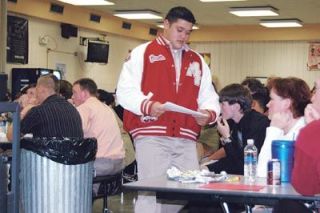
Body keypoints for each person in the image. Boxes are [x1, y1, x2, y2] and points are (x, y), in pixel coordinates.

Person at [116, 6, 220, 212]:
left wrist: (208, 114)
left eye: (188, 32)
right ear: (165, 24)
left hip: (186, 136)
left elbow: (209, 95)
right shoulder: (142, 53)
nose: (184, 36)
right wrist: (147, 106)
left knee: (184, 193)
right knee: (152, 191)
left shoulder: (198, 61)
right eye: (179, 30)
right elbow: (124, 92)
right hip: (151, 133)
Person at [71, 78, 125, 194]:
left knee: (65, 173)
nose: (72, 97)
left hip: (101, 164)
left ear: (84, 93)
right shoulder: (106, 108)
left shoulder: (84, 108)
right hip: (118, 163)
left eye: (75, 92)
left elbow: (75, 134)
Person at [206, 84, 269, 175]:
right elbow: (231, 159)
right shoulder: (236, 124)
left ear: (236, 107)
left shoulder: (258, 124)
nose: (219, 108)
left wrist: (227, 138)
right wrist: (206, 168)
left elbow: (242, 163)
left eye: (223, 104)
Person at [257, 77, 311, 178]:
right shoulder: (283, 130)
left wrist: (272, 131)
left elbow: (262, 174)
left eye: (272, 99)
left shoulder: (302, 133)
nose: (268, 104)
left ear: (286, 103)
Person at [11, 75, 83, 138]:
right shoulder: (73, 110)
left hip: (44, 153)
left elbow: (12, 136)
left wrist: (25, 110)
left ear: (42, 90)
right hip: (72, 153)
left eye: (36, 89)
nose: (36, 94)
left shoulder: (38, 111)